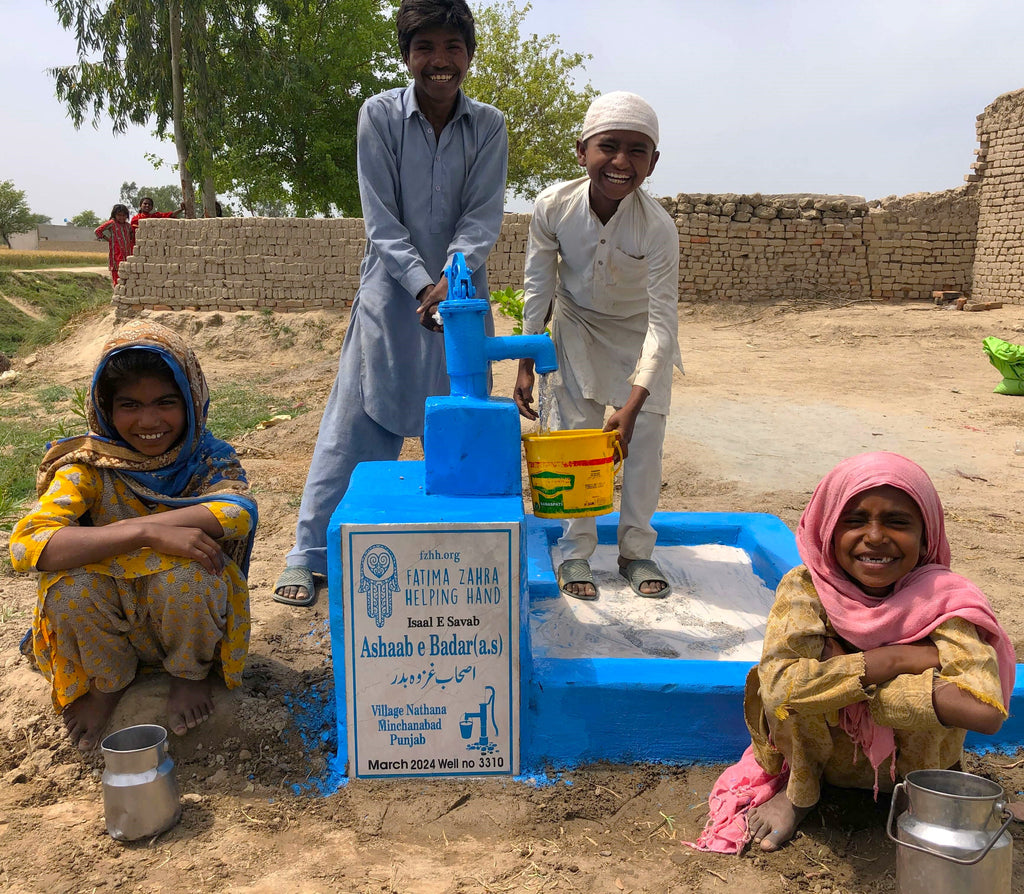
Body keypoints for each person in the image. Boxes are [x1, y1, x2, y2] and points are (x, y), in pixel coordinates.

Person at [273, 0, 508, 607]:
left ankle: (461, 549)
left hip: (460, 300)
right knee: (353, 425)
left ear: (468, 57)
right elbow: (380, 220)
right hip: (388, 295)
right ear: (407, 57)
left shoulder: (489, 126)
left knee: (458, 422)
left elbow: (482, 216)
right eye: (426, 48)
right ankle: (311, 553)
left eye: (453, 48)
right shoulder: (377, 116)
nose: (440, 62)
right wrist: (417, 283)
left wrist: (451, 278)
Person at [690, 451, 1015, 854]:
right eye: (855, 520)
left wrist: (848, 675)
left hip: (917, 769)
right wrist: (897, 659)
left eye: (897, 522)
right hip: (824, 762)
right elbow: (780, 690)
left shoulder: (945, 599)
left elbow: (984, 710)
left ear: (927, 535)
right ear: (827, 528)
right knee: (788, 691)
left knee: (815, 686)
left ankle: (920, 796)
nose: (875, 536)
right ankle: (800, 795)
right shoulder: (806, 589)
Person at [10, 322, 258, 752]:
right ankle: (108, 683)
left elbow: (236, 512)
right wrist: (142, 532)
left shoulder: (206, 458)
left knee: (189, 577)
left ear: (191, 400)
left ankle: (188, 674)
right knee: (70, 589)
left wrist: (124, 532)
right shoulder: (88, 466)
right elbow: (28, 545)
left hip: (180, 622)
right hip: (106, 619)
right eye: (130, 405)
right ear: (105, 408)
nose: (148, 421)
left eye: (166, 402)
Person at [513, 91, 681, 600]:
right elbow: (538, 285)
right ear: (581, 150)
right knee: (576, 440)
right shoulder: (552, 207)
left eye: (637, 150)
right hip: (575, 327)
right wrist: (526, 360)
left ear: (653, 162)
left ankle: (636, 550)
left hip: (638, 334)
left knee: (644, 443)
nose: (621, 162)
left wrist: (633, 405)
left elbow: (662, 323)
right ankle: (577, 551)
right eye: (609, 146)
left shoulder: (658, 228)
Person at [95, 204, 135, 285]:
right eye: (119, 215)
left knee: (127, 280)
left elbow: (132, 235)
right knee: (117, 281)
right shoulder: (112, 223)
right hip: (116, 256)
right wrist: (107, 239)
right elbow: (97, 231)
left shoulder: (128, 226)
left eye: (123, 215)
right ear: (114, 215)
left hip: (127, 255)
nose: (121, 217)